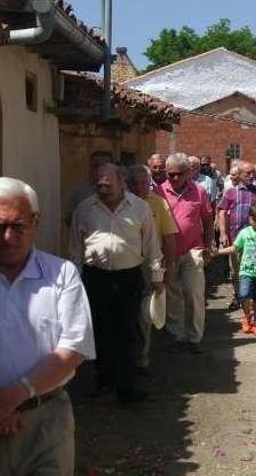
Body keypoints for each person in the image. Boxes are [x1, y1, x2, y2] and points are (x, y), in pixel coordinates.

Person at [0, 177, 95, 474]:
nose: (8, 237)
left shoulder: (61, 274)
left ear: (36, 222)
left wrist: (12, 396)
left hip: (46, 422)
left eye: (18, 226)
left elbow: (75, 347)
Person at [70, 163, 162, 404]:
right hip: (95, 277)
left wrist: (157, 278)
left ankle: (127, 387)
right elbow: (75, 248)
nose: (103, 190)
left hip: (128, 277)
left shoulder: (140, 208)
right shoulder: (85, 209)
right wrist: (75, 281)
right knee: (100, 330)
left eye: (108, 186)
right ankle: (104, 380)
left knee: (128, 330)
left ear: (121, 182)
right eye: (99, 185)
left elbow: (152, 244)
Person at [158, 153, 214, 355]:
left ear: (188, 173)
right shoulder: (158, 192)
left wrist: (208, 245)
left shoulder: (198, 191)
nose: (174, 178)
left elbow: (207, 220)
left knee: (194, 294)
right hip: (168, 253)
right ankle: (177, 336)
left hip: (193, 250)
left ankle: (194, 337)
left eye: (178, 174)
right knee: (173, 296)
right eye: (170, 174)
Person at [126, 164, 178, 375]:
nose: (139, 187)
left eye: (143, 183)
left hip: (149, 266)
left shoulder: (158, 203)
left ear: (149, 183)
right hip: (125, 265)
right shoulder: (122, 203)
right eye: (134, 183)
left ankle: (142, 358)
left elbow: (169, 237)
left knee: (145, 314)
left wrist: (169, 267)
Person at [217, 203, 256, 336]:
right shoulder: (244, 233)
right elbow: (234, 248)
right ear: (249, 218)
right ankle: (247, 316)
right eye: (254, 219)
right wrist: (218, 252)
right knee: (244, 295)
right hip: (246, 272)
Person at [217, 161, 256, 312]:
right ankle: (238, 296)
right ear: (240, 175)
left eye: (253, 173)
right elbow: (222, 212)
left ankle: (251, 298)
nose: (252, 176)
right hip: (236, 238)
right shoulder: (231, 192)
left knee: (253, 270)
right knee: (237, 270)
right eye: (248, 173)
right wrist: (223, 233)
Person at [64, 150, 114, 226]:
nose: (99, 169)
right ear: (90, 167)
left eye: (103, 166)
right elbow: (69, 219)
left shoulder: (120, 190)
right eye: (96, 166)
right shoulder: (78, 190)